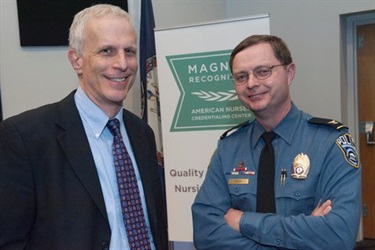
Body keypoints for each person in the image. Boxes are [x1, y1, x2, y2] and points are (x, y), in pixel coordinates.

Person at [0, 4, 168, 250]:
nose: (123, 64)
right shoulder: (25, 138)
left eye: (129, 51)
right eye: (107, 51)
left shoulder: (142, 133)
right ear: (76, 60)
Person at [192, 34, 361, 249]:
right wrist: (303, 233)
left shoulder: (330, 144)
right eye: (241, 77)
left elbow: (338, 236)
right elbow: (205, 233)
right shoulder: (228, 148)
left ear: (289, 73)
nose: (251, 83)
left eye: (263, 72)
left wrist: (243, 220)